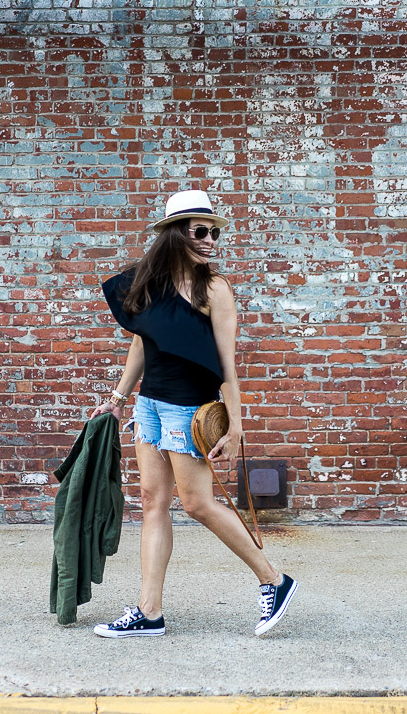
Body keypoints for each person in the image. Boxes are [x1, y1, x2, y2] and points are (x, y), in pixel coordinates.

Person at [89, 189, 298, 638]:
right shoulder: (150, 284)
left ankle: (275, 581)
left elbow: (227, 363)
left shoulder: (216, 289)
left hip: (189, 411)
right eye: (200, 231)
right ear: (173, 235)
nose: (211, 240)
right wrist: (119, 396)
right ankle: (149, 612)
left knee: (198, 503)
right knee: (152, 502)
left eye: (214, 232)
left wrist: (237, 425)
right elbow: (141, 342)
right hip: (150, 407)